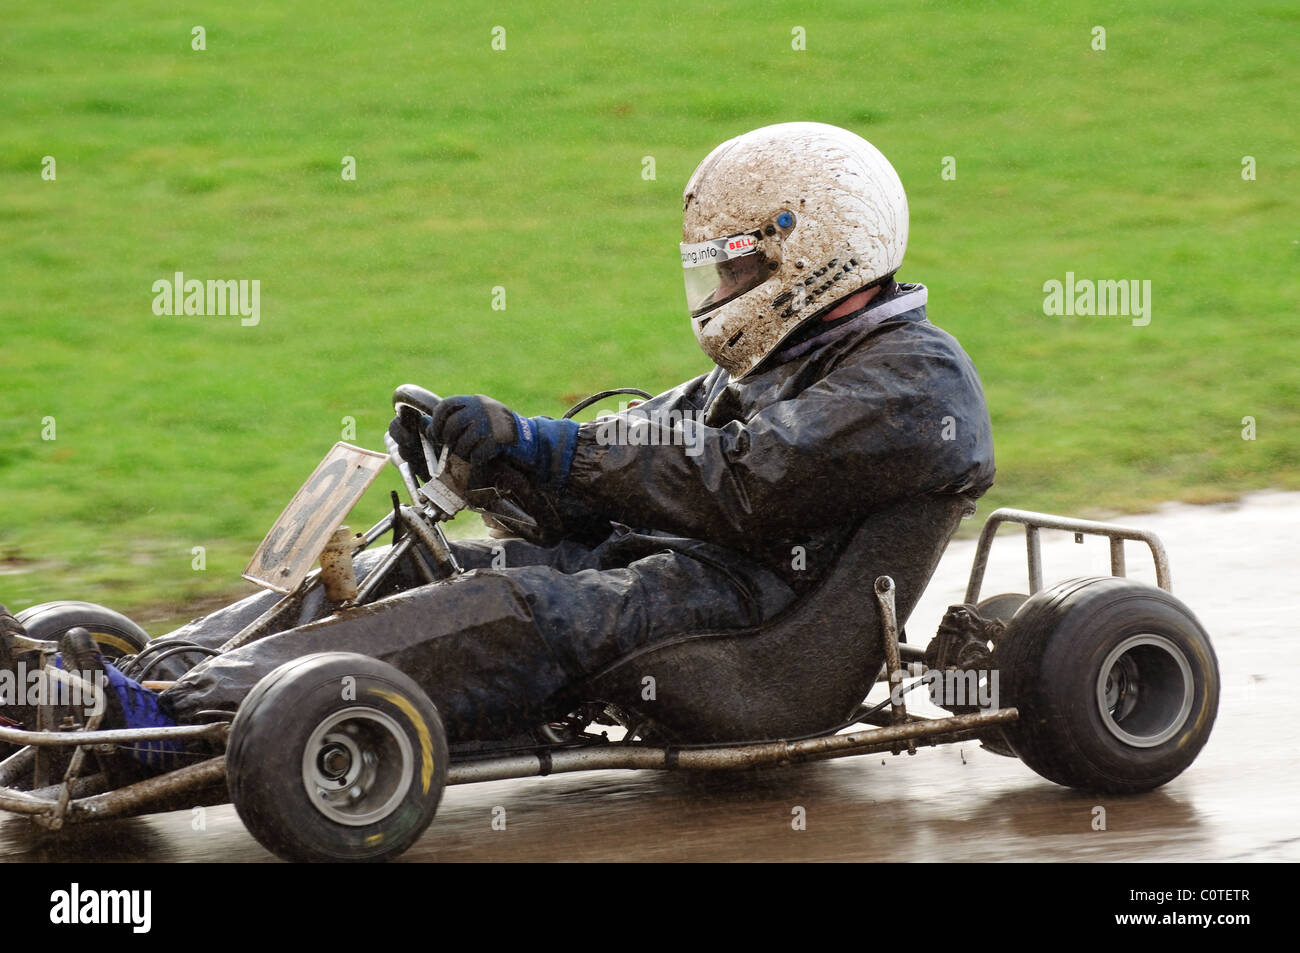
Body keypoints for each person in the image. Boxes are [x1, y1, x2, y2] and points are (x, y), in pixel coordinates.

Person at [1, 122, 995, 761]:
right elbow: (644, 458)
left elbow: (737, 485)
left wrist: (553, 444)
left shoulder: (910, 376)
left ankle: (150, 727)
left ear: (811, 253)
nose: (718, 295)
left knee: (510, 603)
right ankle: (132, 683)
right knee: (412, 565)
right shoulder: (782, 359)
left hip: (760, 642)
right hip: (681, 583)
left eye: (732, 269)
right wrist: (501, 459)